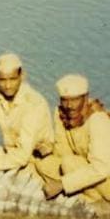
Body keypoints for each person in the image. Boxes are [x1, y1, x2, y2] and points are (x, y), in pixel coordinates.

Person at [38, 74, 110, 202]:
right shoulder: (62, 113)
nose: (69, 106)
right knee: (42, 163)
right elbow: (62, 152)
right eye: (65, 100)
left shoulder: (97, 119)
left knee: (69, 163)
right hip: (82, 167)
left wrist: (62, 184)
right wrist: (48, 148)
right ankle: (77, 191)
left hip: (104, 174)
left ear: (85, 98)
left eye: (75, 100)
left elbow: (102, 168)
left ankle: (95, 201)